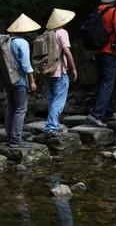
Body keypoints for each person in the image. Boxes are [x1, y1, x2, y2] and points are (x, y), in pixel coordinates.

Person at [87, 0, 116, 127]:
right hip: (111, 51)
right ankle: (96, 114)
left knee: (106, 82)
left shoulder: (98, 10)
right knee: (109, 83)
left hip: (98, 52)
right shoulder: (115, 11)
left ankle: (108, 112)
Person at [5, 14, 40, 148]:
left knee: (11, 107)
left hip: (8, 79)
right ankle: (16, 139)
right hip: (20, 80)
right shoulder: (22, 43)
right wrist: (32, 81)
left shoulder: (8, 41)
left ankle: (9, 135)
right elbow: (25, 64)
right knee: (20, 109)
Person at [43, 8, 78, 137]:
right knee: (59, 100)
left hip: (48, 71)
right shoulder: (62, 32)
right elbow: (67, 52)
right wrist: (73, 69)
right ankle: (51, 127)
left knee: (52, 99)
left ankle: (54, 125)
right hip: (59, 70)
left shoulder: (47, 33)